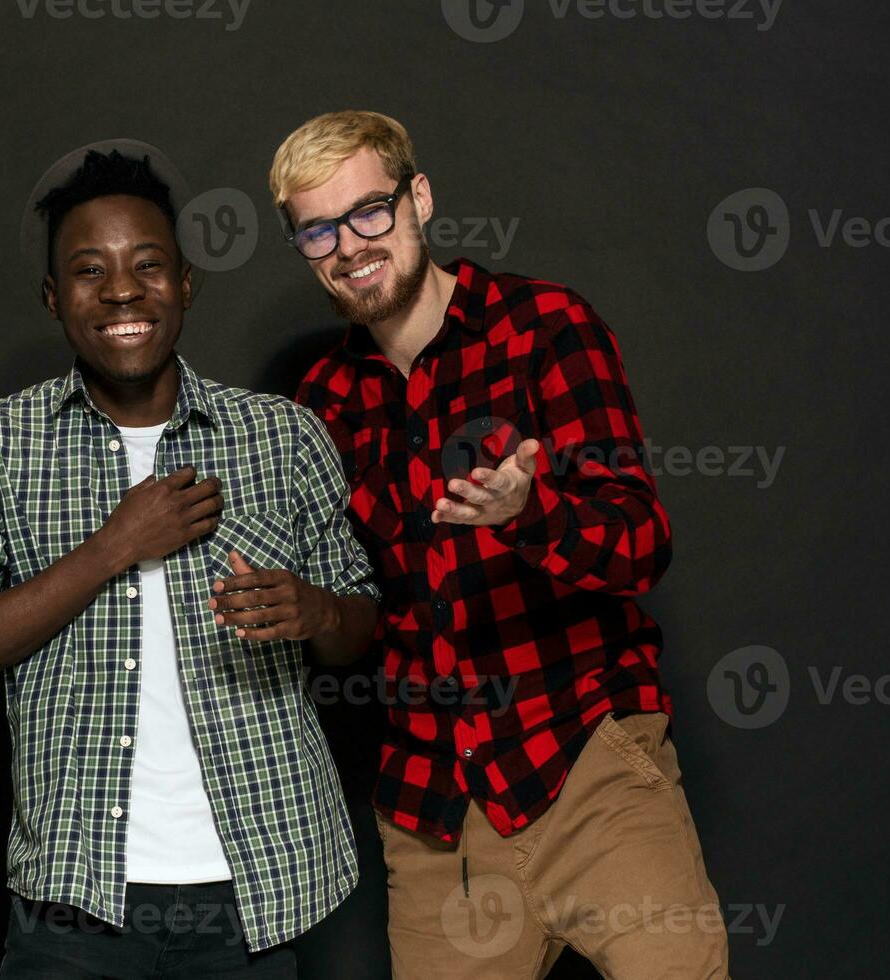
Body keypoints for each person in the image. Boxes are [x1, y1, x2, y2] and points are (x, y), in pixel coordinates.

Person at [269, 111, 730, 979]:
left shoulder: (546, 326)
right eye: (318, 230)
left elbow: (641, 544)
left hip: (587, 760)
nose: (351, 246)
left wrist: (529, 514)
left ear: (419, 198)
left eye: (370, 211)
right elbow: (353, 617)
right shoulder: (321, 402)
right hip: (433, 808)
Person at [0, 148, 380, 978]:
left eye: (147, 265)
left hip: (258, 896)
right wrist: (116, 546)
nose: (122, 290)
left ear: (186, 283)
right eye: (90, 271)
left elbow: (360, 629)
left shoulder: (281, 437)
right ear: (55, 299)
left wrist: (319, 612)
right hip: (74, 909)